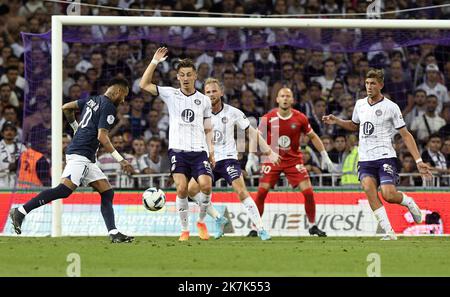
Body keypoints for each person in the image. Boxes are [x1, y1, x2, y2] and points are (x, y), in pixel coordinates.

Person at [9, 78, 136, 243]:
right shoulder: (109, 107)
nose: (124, 100)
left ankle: (114, 233)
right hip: (81, 154)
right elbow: (102, 137)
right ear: (118, 91)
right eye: (124, 95)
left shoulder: (92, 100)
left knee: (107, 192)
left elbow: (66, 107)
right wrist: (121, 160)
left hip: (86, 157)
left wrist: (76, 127)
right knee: (63, 190)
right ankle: (21, 211)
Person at [323, 68, 432, 240]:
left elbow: (405, 134)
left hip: (385, 156)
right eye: (367, 83)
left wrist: (418, 160)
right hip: (365, 158)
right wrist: (337, 120)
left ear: (380, 85)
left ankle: (409, 202)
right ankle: (389, 232)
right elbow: (354, 125)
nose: (369, 86)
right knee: (368, 189)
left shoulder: (391, 107)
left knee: (388, 195)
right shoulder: (360, 104)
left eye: (373, 83)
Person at [187, 78, 280, 241]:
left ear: (221, 92)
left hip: (228, 159)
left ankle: (261, 229)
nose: (211, 94)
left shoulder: (233, 112)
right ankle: (218, 218)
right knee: (191, 190)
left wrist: (269, 151)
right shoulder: (198, 114)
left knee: (241, 191)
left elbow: (252, 132)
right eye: (207, 92)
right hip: (208, 160)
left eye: (214, 91)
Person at [140, 47, 215, 242]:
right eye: (182, 75)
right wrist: (155, 61)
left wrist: (211, 150)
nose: (186, 78)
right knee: (181, 188)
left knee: (206, 186)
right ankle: (184, 230)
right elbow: (144, 84)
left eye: (189, 74)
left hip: (199, 151)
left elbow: (208, 127)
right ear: (177, 77)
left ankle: (200, 222)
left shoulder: (204, 100)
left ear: (195, 76)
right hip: (178, 151)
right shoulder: (170, 94)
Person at [246, 87, 335, 237]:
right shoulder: (268, 117)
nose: (285, 98)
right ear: (277, 99)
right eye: (282, 96)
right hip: (272, 159)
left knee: (308, 192)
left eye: (288, 96)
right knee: (262, 192)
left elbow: (313, 136)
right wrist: (251, 157)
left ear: (292, 100)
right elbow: (255, 137)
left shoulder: (300, 118)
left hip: (294, 160)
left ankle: (313, 225)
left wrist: (324, 155)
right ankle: (255, 227)